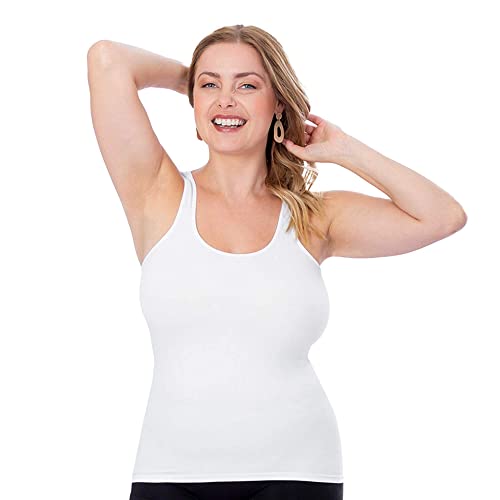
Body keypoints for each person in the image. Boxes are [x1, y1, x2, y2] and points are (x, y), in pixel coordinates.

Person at [87, 24, 466, 500]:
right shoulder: (155, 193)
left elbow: (443, 217)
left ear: (279, 106)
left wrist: (345, 150)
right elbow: (106, 59)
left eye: (247, 85)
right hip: (169, 472)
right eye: (211, 84)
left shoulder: (315, 217)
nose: (226, 100)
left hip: (297, 470)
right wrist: (193, 84)